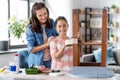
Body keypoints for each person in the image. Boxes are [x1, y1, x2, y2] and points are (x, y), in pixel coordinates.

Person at [25, 2, 57, 71]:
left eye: (45, 13)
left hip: (51, 60)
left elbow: (58, 37)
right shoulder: (30, 28)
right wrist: (47, 44)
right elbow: (31, 49)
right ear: (35, 16)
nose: (43, 17)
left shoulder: (51, 22)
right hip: (37, 62)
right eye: (40, 15)